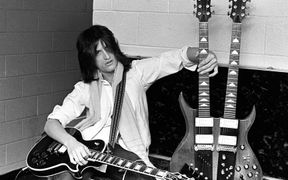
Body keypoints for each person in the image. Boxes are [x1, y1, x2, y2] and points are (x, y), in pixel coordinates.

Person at [43, 24, 218, 180]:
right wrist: (71, 143)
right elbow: (51, 123)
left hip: (130, 153)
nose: (106, 57)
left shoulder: (136, 72)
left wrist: (203, 55)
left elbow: (172, 58)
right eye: (97, 53)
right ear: (89, 58)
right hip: (90, 151)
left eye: (108, 48)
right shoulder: (84, 88)